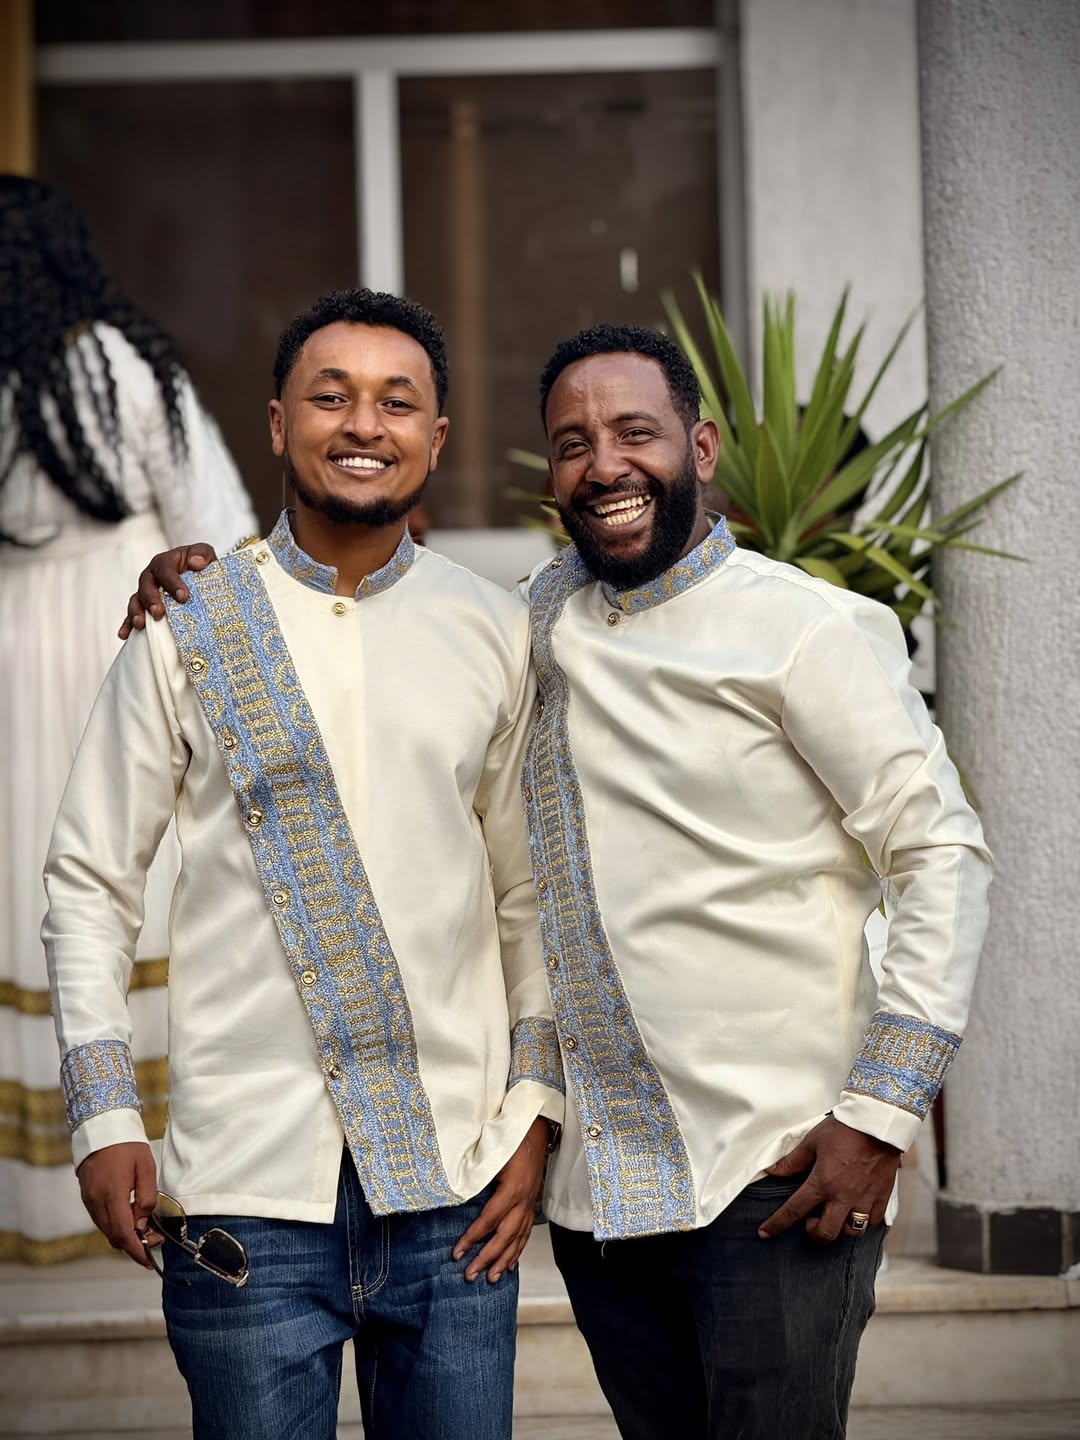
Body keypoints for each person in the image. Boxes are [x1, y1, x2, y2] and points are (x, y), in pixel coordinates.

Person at [122, 322, 993, 1440]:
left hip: (775, 1166)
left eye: (636, 432)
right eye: (572, 442)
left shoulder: (806, 630)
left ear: (703, 445)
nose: (605, 464)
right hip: (601, 1197)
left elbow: (939, 853)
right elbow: (373, 613)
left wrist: (880, 1113)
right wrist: (195, 576)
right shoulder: (526, 619)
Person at [42, 287, 563, 1440]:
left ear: (437, 437)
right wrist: (104, 1116)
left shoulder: (497, 628)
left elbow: (531, 899)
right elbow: (89, 885)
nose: (363, 424)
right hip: (247, 1195)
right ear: (278, 425)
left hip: (454, 1187)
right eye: (331, 396)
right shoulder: (189, 624)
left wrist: (534, 1115)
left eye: (397, 401)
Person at [0, 175, 255, 1263]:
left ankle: (43, 1199)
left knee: (43, 877)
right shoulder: (124, 363)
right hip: (130, 628)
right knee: (138, 878)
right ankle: (174, 1150)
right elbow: (218, 525)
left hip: (14, 643)